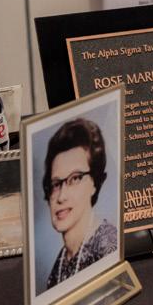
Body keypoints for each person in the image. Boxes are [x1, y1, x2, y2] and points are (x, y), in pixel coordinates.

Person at [42, 118, 118, 289]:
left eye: (75, 178)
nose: (61, 197)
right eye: (56, 184)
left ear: (95, 183)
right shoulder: (62, 260)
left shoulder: (108, 247)